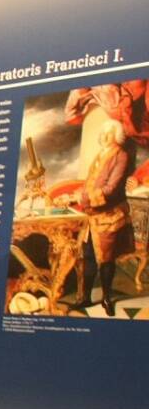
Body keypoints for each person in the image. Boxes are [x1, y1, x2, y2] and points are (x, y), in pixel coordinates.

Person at [79, 118, 134, 316]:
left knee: (107, 259)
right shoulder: (99, 155)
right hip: (92, 216)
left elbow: (111, 189)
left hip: (110, 215)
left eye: (108, 133)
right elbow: (89, 184)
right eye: (102, 132)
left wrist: (83, 197)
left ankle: (106, 298)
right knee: (89, 256)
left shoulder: (121, 155)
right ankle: (85, 297)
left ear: (116, 136)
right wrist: (77, 196)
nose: (103, 136)